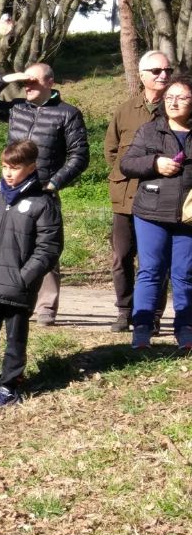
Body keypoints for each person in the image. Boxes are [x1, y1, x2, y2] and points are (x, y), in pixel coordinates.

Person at [0, 62, 89, 325]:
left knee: (45, 247)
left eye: (34, 81)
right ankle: (3, 294)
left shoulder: (67, 114)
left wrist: (54, 183)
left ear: (50, 82)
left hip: (42, 192)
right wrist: (4, 79)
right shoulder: (17, 108)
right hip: (11, 190)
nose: (28, 86)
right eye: (25, 81)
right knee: (6, 242)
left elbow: (79, 156)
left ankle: (46, 308)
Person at [0, 138, 63, 409]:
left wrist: (24, 277)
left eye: (15, 167)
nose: (8, 173)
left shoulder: (43, 202)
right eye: (5, 167)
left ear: (31, 167)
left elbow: (49, 248)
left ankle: (9, 387)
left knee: (15, 339)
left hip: (19, 286)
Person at [120, 75, 192, 349]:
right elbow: (127, 164)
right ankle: (142, 331)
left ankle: (185, 331)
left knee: (185, 274)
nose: (174, 103)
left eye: (181, 97)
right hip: (150, 212)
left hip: (188, 216)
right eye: (169, 97)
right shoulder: (150, 130)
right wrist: (154, 163)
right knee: (150, 271)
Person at [105, 51, 173, 332]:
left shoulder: (177, 109)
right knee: (121, 257)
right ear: (142, 75)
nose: (163, 75)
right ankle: (125, 311)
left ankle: (152, 315)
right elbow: (112, 151)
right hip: (126, 197)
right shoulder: (125, 110)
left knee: (155, 260)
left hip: (162, 197)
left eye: (168, 70)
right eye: (156, 71)